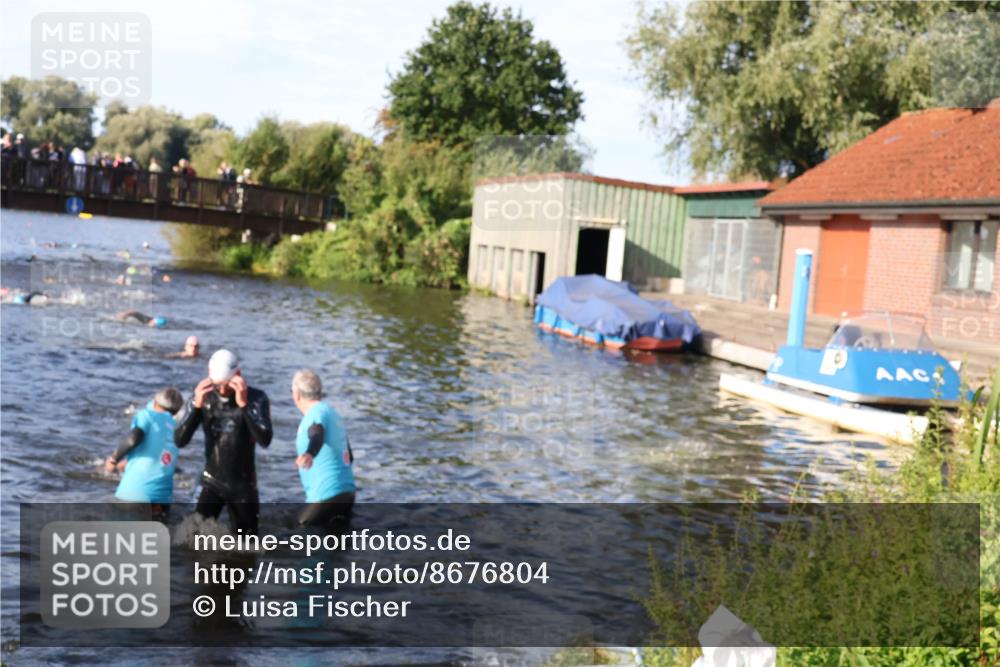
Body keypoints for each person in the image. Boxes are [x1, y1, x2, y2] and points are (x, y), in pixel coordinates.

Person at [175, 349, 273, 533]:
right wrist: (196, 407)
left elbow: (265, 439)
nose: (221, 390)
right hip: (211, 481)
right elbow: (180, 440)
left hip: (243, 484)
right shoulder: (202, 397)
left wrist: (244, 405)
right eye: (216, 385)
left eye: (226, 385)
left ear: (238, 375)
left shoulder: (256, 398)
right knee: (191, 537)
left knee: (247, 545)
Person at [104, 388, 184, 520]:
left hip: (133, 496)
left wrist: (113, 460)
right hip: (162, 500)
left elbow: (133, 440)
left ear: (155, 402)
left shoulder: (147, 415)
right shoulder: (178, 428)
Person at [291, 369, 356, 526]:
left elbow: (316, 433)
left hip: (326, 494)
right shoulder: (332, 414)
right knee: (336, 544)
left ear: (297, 394)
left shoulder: (315, 414)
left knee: (299, 534)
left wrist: (309, 454)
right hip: (346, 492)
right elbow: (350, 456)